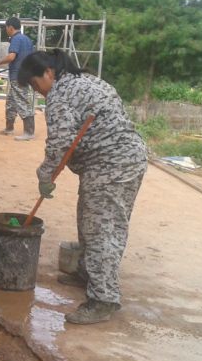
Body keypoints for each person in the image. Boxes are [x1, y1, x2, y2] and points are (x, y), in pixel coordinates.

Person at [18, 49, 147, 325]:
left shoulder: (60, 94)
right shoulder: (88, 81)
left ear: (48, 72)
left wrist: (44, 175)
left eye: (35, 84)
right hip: (121, 161)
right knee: (89, 220)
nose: (38, 91)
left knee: (102, 230)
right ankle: (88, 272)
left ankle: (103, 299)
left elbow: (60, 142)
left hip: (112, 165)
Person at [0, 17, 36, 140]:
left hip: (18, 76)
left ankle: (29, 132)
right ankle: (9, 128)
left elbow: (11, 57)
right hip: (23, 74)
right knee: (11, 103)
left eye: (6, 27)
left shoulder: (16, 39)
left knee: (22, 102)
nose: (6, 30)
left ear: (10, 27)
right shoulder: (27, 39)